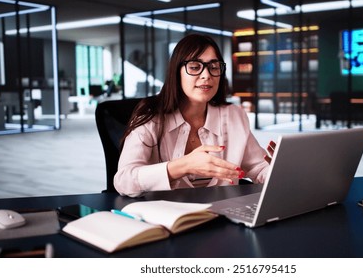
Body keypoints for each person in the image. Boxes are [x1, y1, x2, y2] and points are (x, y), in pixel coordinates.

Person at [114, 34, 274, 197]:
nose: (206, 75)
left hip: (224, 213)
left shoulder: (233, 114)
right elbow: (123, 181)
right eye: (195, 67)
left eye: (214, 67)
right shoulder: (151, 117)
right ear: (177, 72)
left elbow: (259, 168)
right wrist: (183, 166)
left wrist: (282, 168)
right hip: (170, 216)